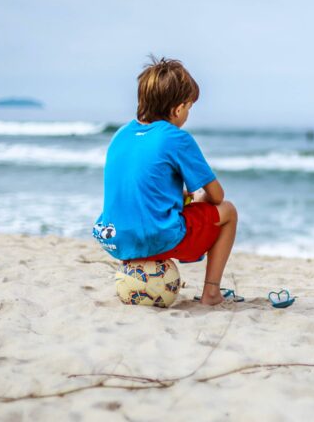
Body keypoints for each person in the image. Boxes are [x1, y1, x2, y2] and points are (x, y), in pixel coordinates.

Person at [94, 55, 239, 305]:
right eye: (189, 108)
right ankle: (212, 292)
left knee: (169, 210)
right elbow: (217, 196)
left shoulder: (121, 134)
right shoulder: (176, 137)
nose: (187, 115)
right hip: (155, 237)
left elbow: (140, 189)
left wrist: (181, 198)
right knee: (228, 212)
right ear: (178, 108)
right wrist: (198, 198)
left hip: (115, 238)